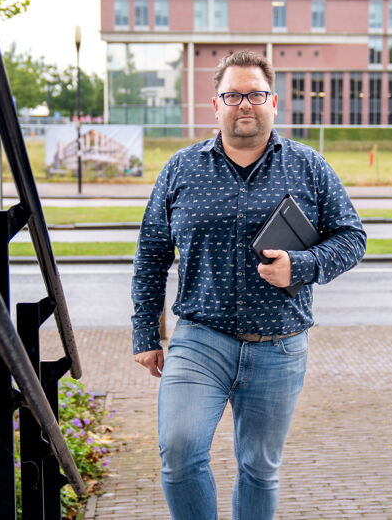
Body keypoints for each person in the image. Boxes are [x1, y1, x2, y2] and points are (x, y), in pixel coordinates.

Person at [132, 50, 366, 520]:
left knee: (260, 467)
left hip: (279, 346)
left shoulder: (308, 166)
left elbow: (352, 237)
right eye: (233, 94)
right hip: (199, 339)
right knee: (179, 455)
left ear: (273, 101)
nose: (245, 104)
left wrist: (301, 266)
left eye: (255, 94)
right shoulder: (180, 169)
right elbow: (152, 253)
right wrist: (145, 334)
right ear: (214, 104)